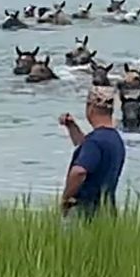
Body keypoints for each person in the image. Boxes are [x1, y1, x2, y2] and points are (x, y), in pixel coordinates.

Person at [58, 86, 126, 220]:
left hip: (85, 212)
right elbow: (85, 147)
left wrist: (65, 198)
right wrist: (72, 127)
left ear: (90, 108)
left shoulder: (95, 142)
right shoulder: (115, 139)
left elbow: (79, 171)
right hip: (106, 211)